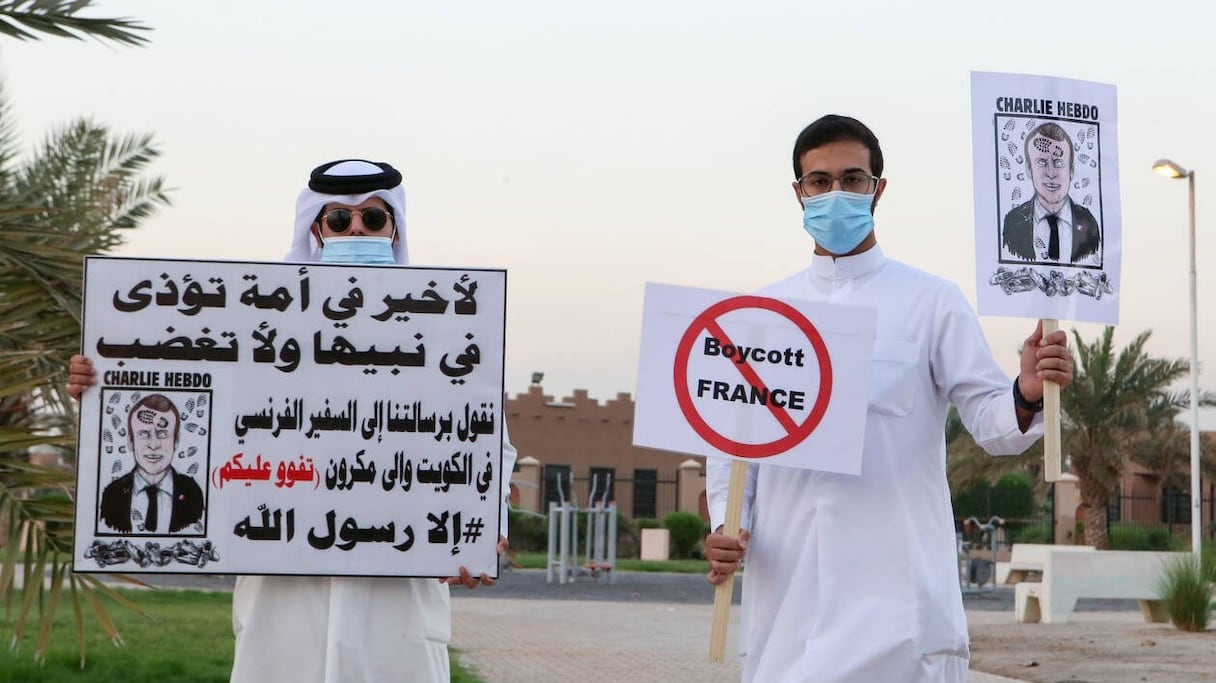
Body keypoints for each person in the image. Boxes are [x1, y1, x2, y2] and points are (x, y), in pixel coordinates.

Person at [69, 159, 517, 683]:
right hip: (281, 595)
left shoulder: (443, 335)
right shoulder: (251, 331)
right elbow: (190, 413)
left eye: (372, 221)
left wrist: (479, 534)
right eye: (338, 220)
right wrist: (105, 385)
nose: (355, 231)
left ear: (394, 230)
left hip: (397, 596)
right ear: (315, 230)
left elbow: (486, 450)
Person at [702, 115, 1074, 682]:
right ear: (797, 193)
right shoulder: (759, 317)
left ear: (879, 187)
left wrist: (1026, 392)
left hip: (898, 601)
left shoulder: (931, 302)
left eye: (852, 179)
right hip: (790, 597)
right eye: (819, 182)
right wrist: (727, 529)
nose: (836, 194)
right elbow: (734, 449)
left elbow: (994, 423)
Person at [98, 392, 205, 534]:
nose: (153, 445)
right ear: (131, 441)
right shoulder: (112, 494)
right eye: (143, 434)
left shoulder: (193, 493)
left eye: (162, 434)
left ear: (176, 441)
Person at [1001, 121, 1101, 265]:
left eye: (1059, 163)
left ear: (1071, 170)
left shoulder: (1089, 224)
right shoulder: (1012, 222)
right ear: (1029, 169)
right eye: (1041, 162)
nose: (1051, 173)